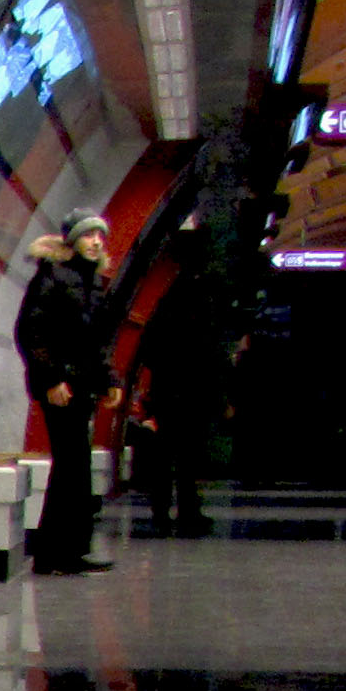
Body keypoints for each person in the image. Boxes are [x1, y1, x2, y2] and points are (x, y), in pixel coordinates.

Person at [17, 212, 118, 573]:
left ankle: (67, 551)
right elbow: (31, 331)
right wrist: (51, 379)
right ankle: (54, 554)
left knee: (76, 467)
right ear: (72, 240)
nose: (96, 242)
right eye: (88, 235)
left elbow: (98, 340)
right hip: (61, 388)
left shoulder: (92, 282)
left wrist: (110, 380)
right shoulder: (52, 276)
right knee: (70, 466)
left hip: (82, 385)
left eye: (100, 236)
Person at [130, 226, 232, 537]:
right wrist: (220, 393)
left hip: (168, 386)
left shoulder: (167, 294)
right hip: (194, 388)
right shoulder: (206, 296)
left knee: (165, 454)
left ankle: (162, 512)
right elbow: (213, 349)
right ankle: (188, 512)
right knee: (189, 455)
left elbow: (148, 345)